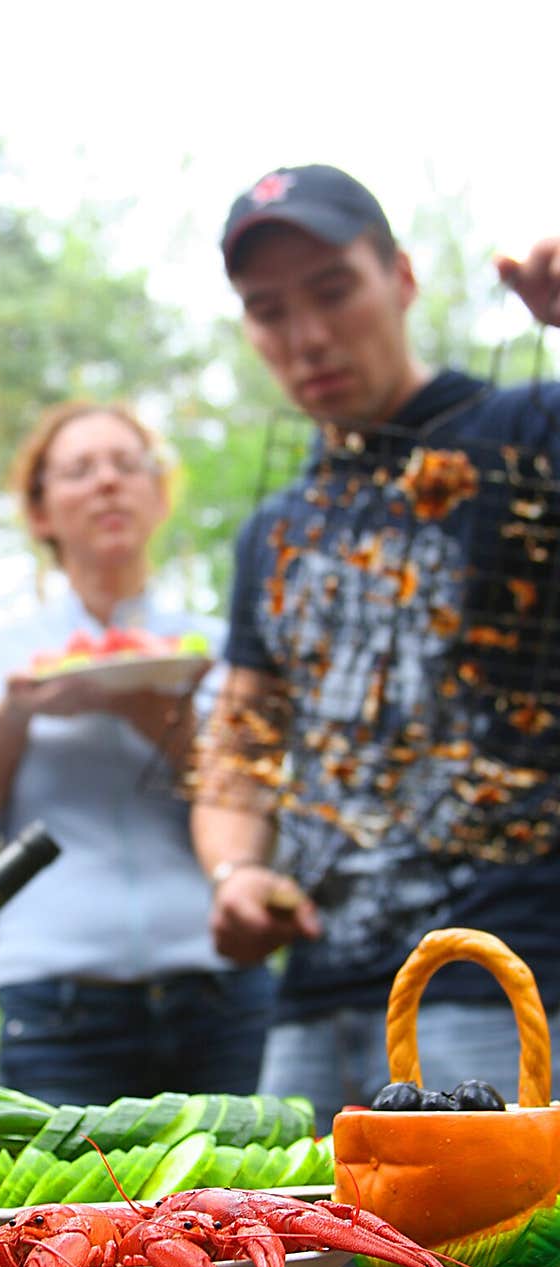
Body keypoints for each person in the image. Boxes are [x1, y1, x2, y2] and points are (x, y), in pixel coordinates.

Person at [190, 162, 560, 1136]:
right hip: (315, 998)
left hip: (506, 976)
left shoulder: (530, 432)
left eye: (332, 289)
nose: (305, 336)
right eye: (267, 310)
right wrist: (234, 874)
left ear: (398, 276)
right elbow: (240, 743)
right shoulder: (274, 529)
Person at [0, 399, 278, 1105]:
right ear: (41, 512)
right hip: (55, 1002)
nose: (107, 482)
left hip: (220, 988)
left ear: (159, 494)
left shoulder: (220, 654)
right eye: (79, 470)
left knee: (249, 1211)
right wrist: (12, 722)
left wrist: (162, 723)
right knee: (72, 1217)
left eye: (126, 465)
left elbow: (267, 822)